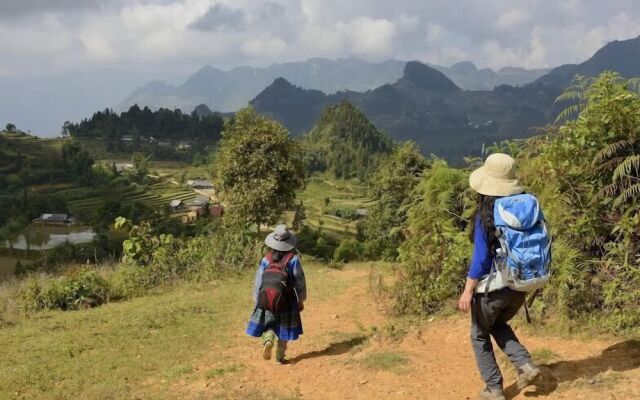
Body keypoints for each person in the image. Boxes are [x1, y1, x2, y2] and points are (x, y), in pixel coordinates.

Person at [458, 153, 541, 400]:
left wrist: (467, 290)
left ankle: (493, 389)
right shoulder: (526, 209)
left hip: (495, 289)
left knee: (479, 334)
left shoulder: (486, 215)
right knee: (498, 324)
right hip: (521, 285)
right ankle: (526, 366)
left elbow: (481, 260)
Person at [246, 224, 306, 364]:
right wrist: (301, 299)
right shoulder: (293, 260)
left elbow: (259, 280)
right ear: (288, 242)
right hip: (287, 300)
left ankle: (268, 339)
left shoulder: (266, 259)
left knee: (269, 324)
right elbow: (300, 282)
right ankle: (280, 357)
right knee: (284, 328)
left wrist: (257, 299)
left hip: (267, 298)